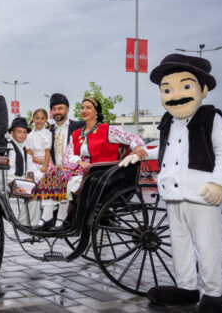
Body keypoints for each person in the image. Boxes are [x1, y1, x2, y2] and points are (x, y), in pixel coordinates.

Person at [121, 54, 222, 313]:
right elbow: (161, 148)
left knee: (207, 246)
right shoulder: (168, 121)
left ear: (203, 90)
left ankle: (213, 294)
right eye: (167, 90)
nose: (176, 95)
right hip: (173, 195)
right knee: (180, 245)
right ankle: (186, 288)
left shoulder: (210, 118)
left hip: (202, 194)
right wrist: (140, 153)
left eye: (185, 86)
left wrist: (218, 183)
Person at [31, 97, 146, 229]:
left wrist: (137, 148)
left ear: (96, 112)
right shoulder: (76, 134)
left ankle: (60, 220)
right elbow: (68, 156)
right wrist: (79, 161)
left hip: (99, 172)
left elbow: (133, 138)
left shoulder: (107, 130)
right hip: (80, 168)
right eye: (82, 108)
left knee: (64, 178)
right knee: (55, 174)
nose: (84, 110)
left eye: (88, 107)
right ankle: (47, 217)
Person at [5, 117, 41, 226]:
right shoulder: (8, 147)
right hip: (9, 181)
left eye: (25, 132)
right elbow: (7, 170)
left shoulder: (25, 149)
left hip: (22, 181)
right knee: (34, 193)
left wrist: (30, 177)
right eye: (19, 131)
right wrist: (15, 185)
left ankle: (27, 221)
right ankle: (26, 222)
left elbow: (30, 166)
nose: (22, 135)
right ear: (12, 132)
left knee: (39, 192)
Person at [48, 93, 84, 166]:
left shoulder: (79, 127)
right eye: (54, 109)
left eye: (60, 108)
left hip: (75, 175)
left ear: (67, 110)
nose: (57, 112)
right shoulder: (47, 130)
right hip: (54, 175)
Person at [26, 108, 52, 174]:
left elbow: (47, 151)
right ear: (33, 119)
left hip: (46, 161)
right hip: (33, 161)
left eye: (42, 118)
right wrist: (36, 160)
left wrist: (45, 165)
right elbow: (29, 152)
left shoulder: (47, 133)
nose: (39, 121)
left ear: (46, 120)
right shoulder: (29, 135)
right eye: (37, 118)